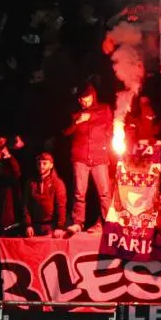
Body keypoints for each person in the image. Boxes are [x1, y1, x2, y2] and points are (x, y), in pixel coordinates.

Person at [64, 84, 112, 235]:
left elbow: (107, 121)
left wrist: (90, 116)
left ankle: (108, 222)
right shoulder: (75, 113)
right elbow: (65, 131)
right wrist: (77, 121)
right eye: (81, 99)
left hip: (99, 157)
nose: (84, 102)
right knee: (79, 192)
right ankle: (78, 222)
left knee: (104, 192)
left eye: (87, 98)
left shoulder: (103, 109)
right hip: (80, 156)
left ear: (93, 96)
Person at [23, 152, 68, 238]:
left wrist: (59, 226)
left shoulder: (57, 183)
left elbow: (61, 206)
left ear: (51, 165)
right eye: (39, 163)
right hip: (33, 227)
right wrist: (28, 225)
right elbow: (26, 205)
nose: (41, 166)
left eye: (44, 163)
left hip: (51, 227)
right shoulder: (31, 183)